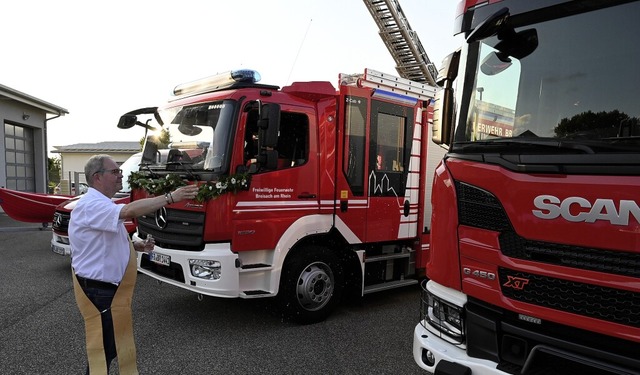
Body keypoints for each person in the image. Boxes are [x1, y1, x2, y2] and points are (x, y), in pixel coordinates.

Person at [69, 154, 198, 375]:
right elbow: (128, 211)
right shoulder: (91, 205)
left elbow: (103, 240)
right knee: (102, 351)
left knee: (108, 348)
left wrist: (135, 245)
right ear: (97, 177)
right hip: (98, 289)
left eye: (120, 171)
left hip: (106, 287)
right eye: (115, 172)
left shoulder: (102, 203)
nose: (120, 175)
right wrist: (170, 197)